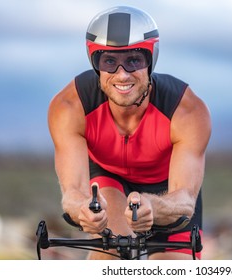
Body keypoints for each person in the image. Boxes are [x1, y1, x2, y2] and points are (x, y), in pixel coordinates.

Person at [48, 6, 211, 260]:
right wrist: (84, 210)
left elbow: (184, 200)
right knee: (112, 250)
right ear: (95, 63)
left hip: (165, 188)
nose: (122, 75)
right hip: (107, 178)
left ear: (151, 60)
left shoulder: (186, 111)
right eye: (109, 61)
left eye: (134, 60)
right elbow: (73, 193)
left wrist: (152, 206)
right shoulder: (69, 107)